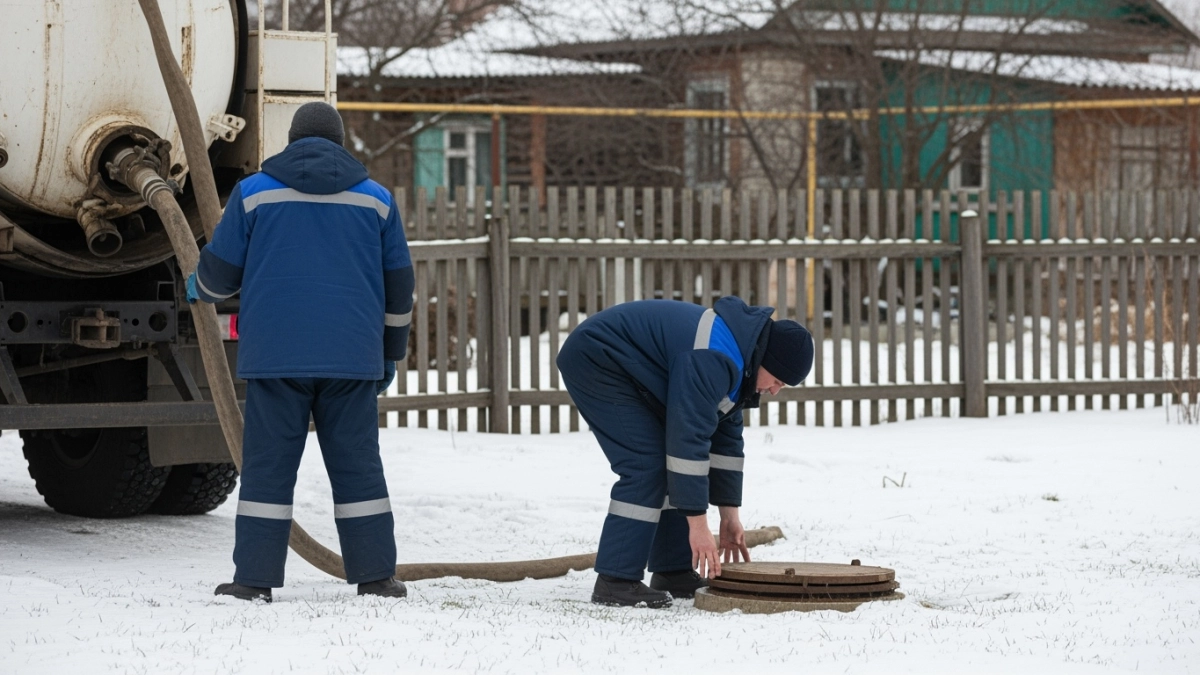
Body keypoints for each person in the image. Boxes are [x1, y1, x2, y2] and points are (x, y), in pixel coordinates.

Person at [187, 102, 414, 603]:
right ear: (340, 141)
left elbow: (219, 274)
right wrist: (389, 354)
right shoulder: (376, 201)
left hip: (276, 360)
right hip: (352, 361)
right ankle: (376, 577)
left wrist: (197, 285)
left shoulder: (253, 194)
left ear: (291, 141)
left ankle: (254, 580)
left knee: (268, 466)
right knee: (358, 467)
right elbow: (400, 290)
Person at [556, 296, 814, 608]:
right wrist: (698, 525)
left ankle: (672, 570)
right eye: (777, 380)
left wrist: (729, 516)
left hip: (632, 367)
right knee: (646, 463)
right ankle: (615, 581)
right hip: (597, 357)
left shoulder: (740, 363)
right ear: (766, 360)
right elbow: (686, 442)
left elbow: (726, 444)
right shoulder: (715, 357)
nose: (775, 390)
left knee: (665, 461)